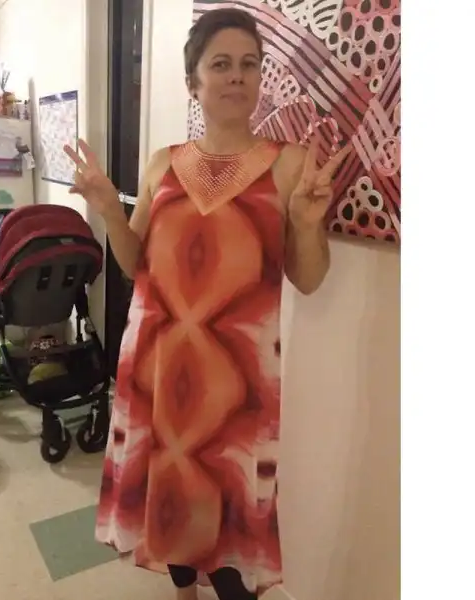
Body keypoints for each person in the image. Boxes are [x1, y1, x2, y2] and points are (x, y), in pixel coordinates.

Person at [63, 8, 350, 600]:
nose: (236, 75)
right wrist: (108, 209)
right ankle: (182, 592)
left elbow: (308, 278)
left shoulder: (290, 165)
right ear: (193, 81)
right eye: (221, 64)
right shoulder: (162, 163)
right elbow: (136, 263)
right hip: (158, 367)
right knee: (170, 502)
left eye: (249, 64)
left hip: (238, 382)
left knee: (232, 534)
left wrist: (305, 223)